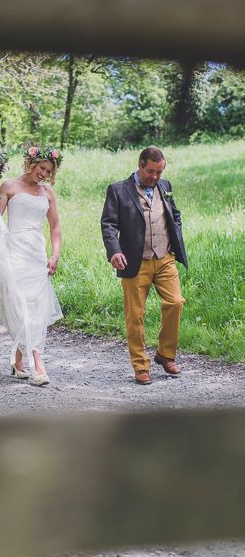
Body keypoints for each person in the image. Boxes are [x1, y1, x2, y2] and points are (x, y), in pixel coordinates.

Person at [0, 147, 63, 386]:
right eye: (42, 168)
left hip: (36, 254)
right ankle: (38, 364)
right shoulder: (9, 187)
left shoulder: (48, 194)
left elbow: (54, 227)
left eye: (49, 171)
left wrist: (54, 255)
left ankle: (18, 360)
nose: (44, 174)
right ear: (30, 164)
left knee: (36, 308)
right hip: (14, 253)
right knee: (19, 304)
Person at [101, 146, 187, 385]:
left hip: (164, 258)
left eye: (159, 172)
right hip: (134, 261)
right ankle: (141, 366)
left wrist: (174, 237)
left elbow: (175, 214)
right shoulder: (118, 190)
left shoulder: (165, 186)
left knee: (176, 302)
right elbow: (108, 225)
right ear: (140, 165)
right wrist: (114, 252)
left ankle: (165, 354)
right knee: (135, 314)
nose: (155, 177)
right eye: (151, 171)